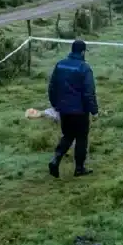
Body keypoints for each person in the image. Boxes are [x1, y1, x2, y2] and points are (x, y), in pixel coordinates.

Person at [47, 40, 98, 178]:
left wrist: (55, 104)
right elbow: (89, 92)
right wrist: (94, 110)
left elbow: (52, 87)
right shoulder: (84, 68)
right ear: (82, 52)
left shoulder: (60, 64)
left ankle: (56, 159)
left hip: (63, 109)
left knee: (68, 135)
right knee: (81, 137)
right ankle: (79, 168)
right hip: (79, 111)